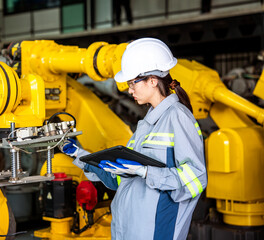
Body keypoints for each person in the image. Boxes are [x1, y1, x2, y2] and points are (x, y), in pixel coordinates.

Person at [59, 38, 207, 240]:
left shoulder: (178, 117)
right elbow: (118, 178)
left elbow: (196, 178)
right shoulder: (147, 124)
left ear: (153, 80)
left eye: (132, 83)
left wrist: (146, 172)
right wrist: (79, 153)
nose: (130, 90)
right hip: (129, 229)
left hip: (156, 230)